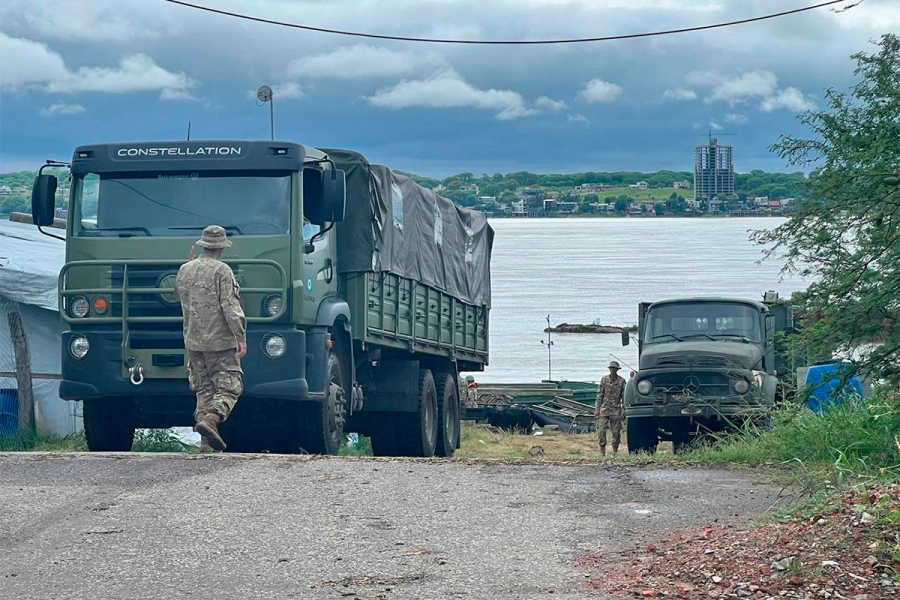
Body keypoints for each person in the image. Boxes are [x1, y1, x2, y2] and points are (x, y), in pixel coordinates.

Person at [175, 225, 247, 452]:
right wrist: (240, 336)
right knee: (229, 387)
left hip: (193, 340)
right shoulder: (222, 271)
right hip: (220, 341)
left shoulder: (185, 269)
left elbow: (183, 305)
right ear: (221, 248)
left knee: (204, 389)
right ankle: (212, 419)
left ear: (203, 244)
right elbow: (230, 306)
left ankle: (206, 444)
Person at [594, 360, 626, 456]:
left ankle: (615, 451)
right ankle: (602, 451)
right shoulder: (604, 380)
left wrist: (624, 410)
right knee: (601, 430)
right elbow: (600, 395)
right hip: (604, 409)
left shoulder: (622, 381)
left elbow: (624, 397)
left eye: (614, 369)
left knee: (616, 432)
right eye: (611, 368)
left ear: (617, 370)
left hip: (616, 410)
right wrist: (597, 409)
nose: (613, 370)